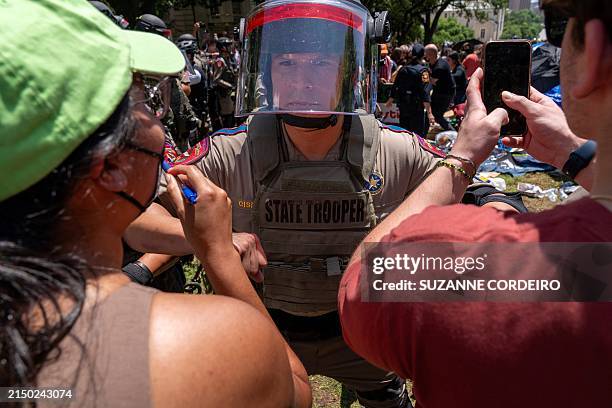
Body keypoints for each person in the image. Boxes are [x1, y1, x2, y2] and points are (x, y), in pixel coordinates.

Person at [129, 0, 524, 406]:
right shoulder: (233, 152)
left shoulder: (389, 149)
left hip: (359, 333)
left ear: (348, 74)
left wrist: (501, 211)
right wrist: (212, 242)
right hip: (264, 328)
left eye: (320, 63)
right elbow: (139, 212)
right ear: (267, 74)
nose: (302, 80)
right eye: (288, 64)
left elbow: (476, 190)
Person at [0, 1, 311, 407]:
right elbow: (295, 390)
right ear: (110, 165)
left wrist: (195, 237)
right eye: (143, 105)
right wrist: (217, 254)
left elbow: (126, 218)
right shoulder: (208, 343)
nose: (158, 123)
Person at [339, 0, 612, 406]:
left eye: (559, 27)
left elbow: (358, 283)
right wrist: (573, 153)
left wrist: (462, 158)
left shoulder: (474, 261)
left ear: (593, 51)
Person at [385, 44, 435, 137]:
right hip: (416, 109)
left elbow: (395, 86)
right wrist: (430, 113)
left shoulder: (404, 69)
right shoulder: (423, 71)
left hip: (403, 107)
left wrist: (390, 101)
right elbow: (425, 93)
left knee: (404, 134)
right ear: (422, 55)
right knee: (417, 137)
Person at [424, 43, 456, 131]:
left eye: (426, 54)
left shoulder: (439, 67)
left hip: (445, 94)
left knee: (437, 115)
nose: (424, 56)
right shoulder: (433, 62)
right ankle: (423, 134)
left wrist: (423, 75)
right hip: (439, 91)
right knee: (428, 114)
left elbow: (431, 81)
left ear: (430, 55)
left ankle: (453, 133)